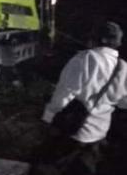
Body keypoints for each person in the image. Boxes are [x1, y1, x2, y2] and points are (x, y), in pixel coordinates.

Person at [31, 21, 127, 175]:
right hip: (99, 134)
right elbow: (123, 102)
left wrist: (48, 118)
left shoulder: (85, 59)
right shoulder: (123, 67)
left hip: (73, 132)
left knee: (47, 167)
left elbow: (64, 94)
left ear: (99, 39)